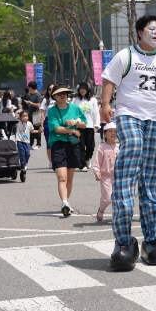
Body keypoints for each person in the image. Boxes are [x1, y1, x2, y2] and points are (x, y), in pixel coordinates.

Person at [100, 14, 156, 270]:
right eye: (151, 29)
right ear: (140, 32)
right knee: (133, 150)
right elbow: (109, 81)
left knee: (151, 180)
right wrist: (106, 105)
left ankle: (153, 241)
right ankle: (124, 242)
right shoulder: (126, 56)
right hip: (128, 114)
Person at [47, 87, 87, 216]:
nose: (62, 95)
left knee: (70, 178)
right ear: (54, 97)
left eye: (64, 93)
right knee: (62, 177)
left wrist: (76, 122)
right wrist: (72, 130)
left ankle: (67, 202)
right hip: (58, 145)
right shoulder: (52, 111)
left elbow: (84, 123)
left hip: (72, 144)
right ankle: (64, 202)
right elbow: (57, 129)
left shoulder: (75, 108)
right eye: (59, 94)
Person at [92, 122, 119, 222]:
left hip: (118, 177)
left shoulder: (119, 147)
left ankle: (117, 215)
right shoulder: (102, 147)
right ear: (105, 134)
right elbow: (97, 162)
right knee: (107, 198)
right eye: (110, 131)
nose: (113, 133)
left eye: (115, 131)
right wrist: (97, 172)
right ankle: (101, 210)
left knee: (118, 198)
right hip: (106, 176)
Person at [72, 82, 99, 171]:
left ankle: (87, 158)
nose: (82, 90)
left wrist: (96, 125)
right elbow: (72, 112)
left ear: (87, 89)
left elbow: (96, 113)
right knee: (81, 145)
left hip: (90, 126)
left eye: (83, 88)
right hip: (79, 126)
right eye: (80, 88)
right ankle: (82, 164)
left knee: (91, 146)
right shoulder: (76, 100)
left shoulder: (93, 100)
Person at [21, 82, 43, 149]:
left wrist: (31, 103)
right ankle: (30, 144)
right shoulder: (31, 94)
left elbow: (39, 105)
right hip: (30, 114)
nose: (28, 88)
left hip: (36, 115)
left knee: (37, 128)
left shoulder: (38, 95)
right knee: (30, 129)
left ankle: (38, 144)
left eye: (28, 87)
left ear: (30, 87)